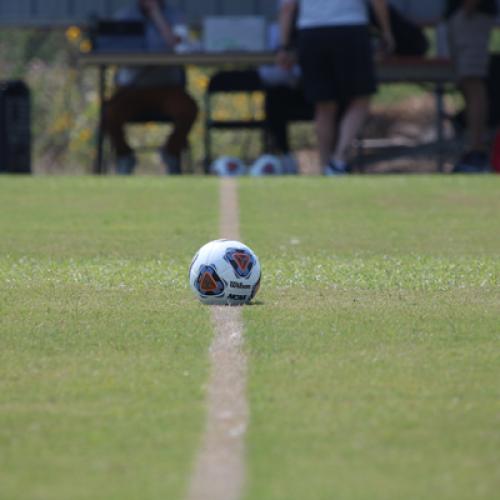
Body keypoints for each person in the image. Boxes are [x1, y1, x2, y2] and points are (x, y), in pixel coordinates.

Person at [277, 0, 394, 175]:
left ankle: (325, 165)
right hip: (350, 29)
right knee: (360, 100)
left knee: (324, 106)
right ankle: (339, 160)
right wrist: (386, 31)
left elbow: (287, 7)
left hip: (310, 32)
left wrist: (284, 46)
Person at [104, 0, 198, 175]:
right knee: (110, 113)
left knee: (187, 109)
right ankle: (124, 155)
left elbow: (177, 45)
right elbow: (111, 49)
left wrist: (156, 14)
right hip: (132, 90)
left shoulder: (175, 15)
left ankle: (172, 151)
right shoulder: (125, 16)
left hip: (168, 88)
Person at [445, 0, 498, 173]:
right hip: (462, 14)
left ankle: (478, 150)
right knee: (467, 84)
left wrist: (469, 6)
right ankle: (475, 148)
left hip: (472, 14)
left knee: (473, 83)